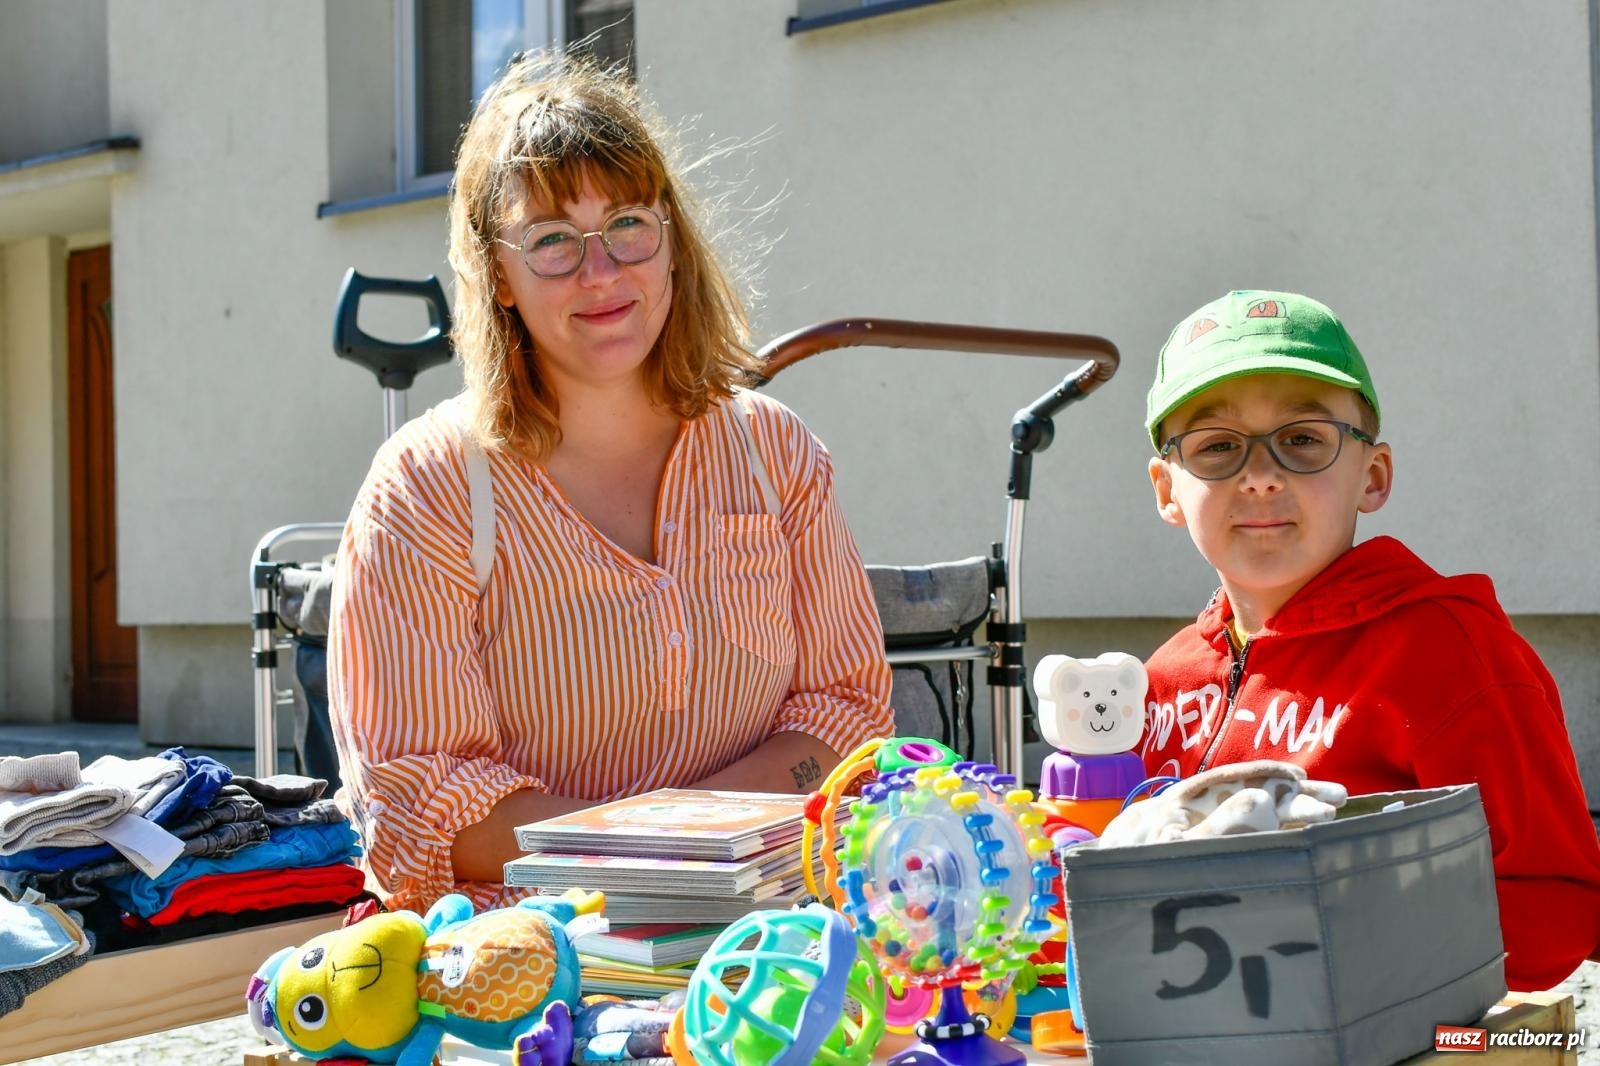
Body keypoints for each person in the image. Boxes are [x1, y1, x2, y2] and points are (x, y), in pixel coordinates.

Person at [327, 51, 893, 916]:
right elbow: (421, 803)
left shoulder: (774, 455)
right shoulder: (428, 489)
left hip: (772, 941)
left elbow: (847, 719)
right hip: (541, 961)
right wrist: (663, 856)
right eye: (552, 240)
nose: (601, 273)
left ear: (671, 242)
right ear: (498, 275)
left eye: (628, 223)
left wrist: (686, 847)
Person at [1138, 289, 1600, 991]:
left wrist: (1329, 938)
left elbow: (1557, 911)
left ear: (1373, 476)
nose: (1260, 477)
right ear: (1167, 490)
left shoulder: (1448, 653)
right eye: (1217, 446)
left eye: (1302, 439)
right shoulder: (1160, 681)